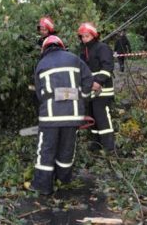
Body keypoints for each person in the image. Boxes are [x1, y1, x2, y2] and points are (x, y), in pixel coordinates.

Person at [31, 35, 93, 195]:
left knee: (46, 150)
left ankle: (42, 186)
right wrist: (82, 98)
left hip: (50, 117)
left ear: (44, 48)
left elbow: (39, 93)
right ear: (61, 45)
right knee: (67, 149)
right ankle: (63, 179)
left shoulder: (41, 64)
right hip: (72, 116)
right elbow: (88, 81)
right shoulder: (74, 59)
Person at [77, 22, 115, 152]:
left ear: (93, 35)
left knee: (102, 118)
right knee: (93, 119)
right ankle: (96, 146)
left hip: (102, 91)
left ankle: (109, 148)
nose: (84, 39)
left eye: (86, 36)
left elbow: (108, 66)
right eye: (82, 36)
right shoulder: (84, 51)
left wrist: (98, 81)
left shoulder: (102, 48)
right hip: (90, 91)